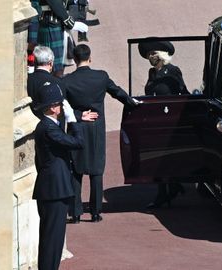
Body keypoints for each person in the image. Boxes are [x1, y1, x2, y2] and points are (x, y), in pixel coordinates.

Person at [63, 44, 139, 223]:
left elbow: (62, 107)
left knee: (76, 171)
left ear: (74, 60)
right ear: (90, 58)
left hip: (77, 127)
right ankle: (96, 212)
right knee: (96, 171)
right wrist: (132, 103)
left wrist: (80, 115)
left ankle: (75, 213)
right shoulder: (101, 77)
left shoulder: (67, 81)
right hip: (96, 128)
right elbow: (117, 92)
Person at [32, 82, 84, 270]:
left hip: (52, 188)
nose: (61, 107)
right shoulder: (49, 128)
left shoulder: (46, 125)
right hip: (55, 191)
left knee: (51, 239)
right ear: (53, 107)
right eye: (59, 104)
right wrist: (72, 121)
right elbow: (78, 142)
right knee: (52, 240)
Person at [138, 39, 187, 208]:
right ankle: (168, 189)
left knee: (168, 157)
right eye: (148, 54)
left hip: (170, 120)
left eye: (153, 53)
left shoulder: (173, 71)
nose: (150, 56)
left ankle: (170, 188)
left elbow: (182, 92)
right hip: (155, 120)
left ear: (161, 54)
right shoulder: (152, 73)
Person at [27, 45, 98, 123]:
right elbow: (63, 107)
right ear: (50, 63)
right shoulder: (57, 82)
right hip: (52, 126)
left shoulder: (27, 79)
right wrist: (79, 115)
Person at [32, 0, 88, 77]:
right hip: (51, 23)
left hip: (59, 22)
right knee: (50, 66)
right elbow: (54, 2)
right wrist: (70, 23)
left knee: (60, 65)